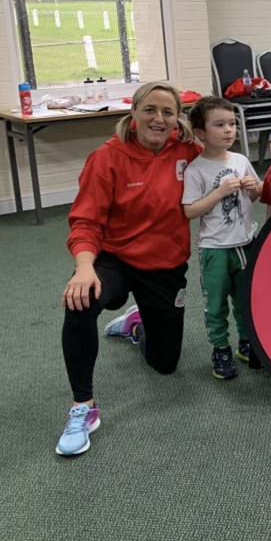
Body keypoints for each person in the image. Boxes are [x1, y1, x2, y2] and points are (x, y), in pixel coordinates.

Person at [57, 81, 202, 456]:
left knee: (165, 363)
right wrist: (84, 267)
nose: (158, 118)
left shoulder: (189, 150)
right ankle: (83, 407)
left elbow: (225, 154)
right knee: (81, 301)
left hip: (165, 265)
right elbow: (85, 220)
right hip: (115, 259)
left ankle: (137, 323)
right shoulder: (106, 158)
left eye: (168, 112)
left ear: (177, 120)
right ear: (133, 113)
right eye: (150, 110)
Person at [182, 97, 261, 380]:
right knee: (215, 304)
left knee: (245, 300)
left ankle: (245, 342)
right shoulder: (195, 169)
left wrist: (254, 186)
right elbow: (190, 210)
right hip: (215, 249)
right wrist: (218, 193)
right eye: (219, 125)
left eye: (232, 124)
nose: (229, 130)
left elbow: (256, 195)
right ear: (201, 134)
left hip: (245, 243)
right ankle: (220, 349)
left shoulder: (240, 160)